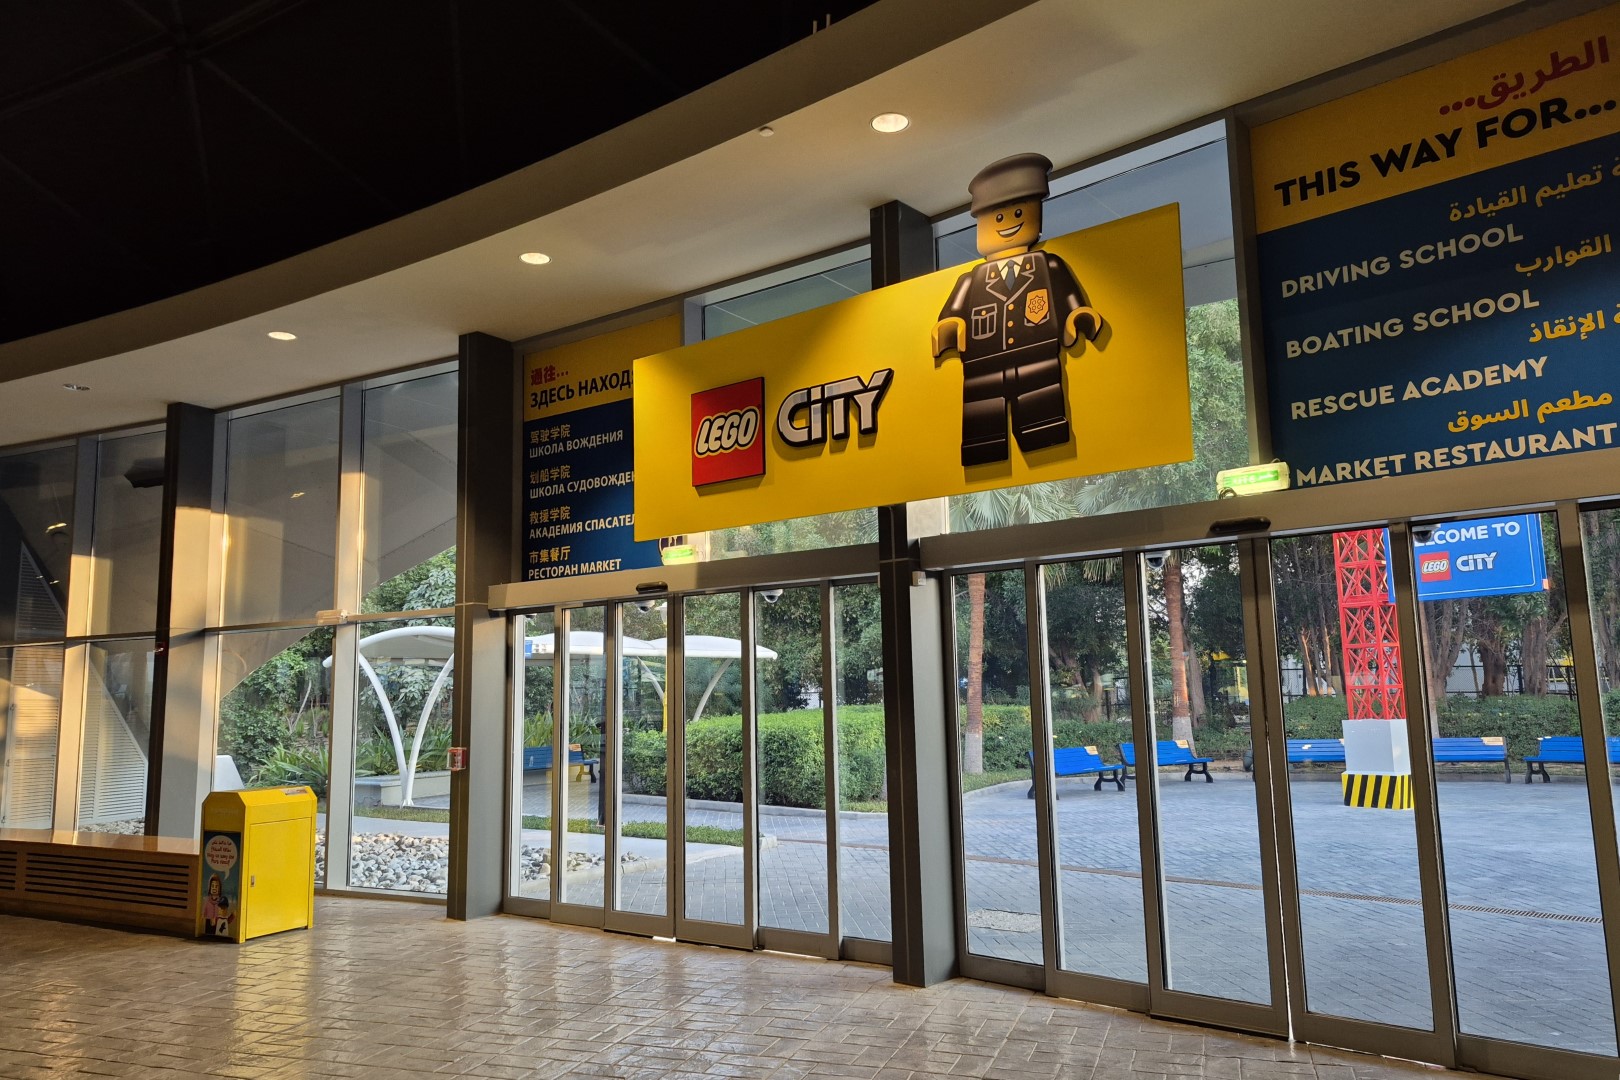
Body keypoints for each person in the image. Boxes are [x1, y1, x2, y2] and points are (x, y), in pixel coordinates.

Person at [931, 152, 1103, 466]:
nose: (1009, 222)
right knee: (983, 425)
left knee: (1043, 414)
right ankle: (984, 446)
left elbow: (1069, 298)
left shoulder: (1046, 266)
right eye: (998, 218)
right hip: (982, 367)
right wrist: (950, 327)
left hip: (1038, 358)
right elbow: (952, 313)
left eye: (1019, 212)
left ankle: (1043, 433)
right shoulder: (972, 280)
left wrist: (1078, 315)